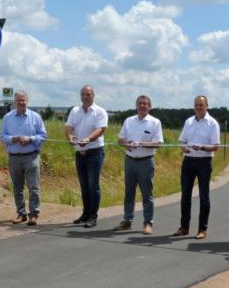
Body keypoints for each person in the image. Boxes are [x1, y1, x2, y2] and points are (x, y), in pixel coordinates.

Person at [173, 95, 220, 240]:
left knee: (204, 196)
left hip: (204, 162)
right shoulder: (189, 121)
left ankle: (202, 229)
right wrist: (184, 148)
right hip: (188, 161)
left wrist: (203, 147)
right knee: (185, 195)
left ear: (207, 106)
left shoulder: (213, 123)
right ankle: (184, 227)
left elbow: (216, 147)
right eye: (196, 105)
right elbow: (182, 141)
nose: (198, 107)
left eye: (201, 105)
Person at [115, 95, 164, 235]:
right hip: (130, 160)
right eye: (140, 103)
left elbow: (158, 143)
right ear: (136, 106)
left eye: (145, 104)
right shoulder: (129, 121)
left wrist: (141, 144)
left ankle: (148, 223)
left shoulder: (155, 122)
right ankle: (127, 221)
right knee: (129, 192)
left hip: (146, 161)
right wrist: (127, 144)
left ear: (150, 107)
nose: (142, 106)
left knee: (146, 194)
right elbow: (120, 140)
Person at [0, 90, 47, 226]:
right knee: (17, 188)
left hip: (31, 157)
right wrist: (13, 139)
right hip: (14, 158)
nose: (21, 102)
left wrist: (30, 139)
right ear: (14, 102)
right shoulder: (7, 117)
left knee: (33, 187)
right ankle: (21, 213)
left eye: (23, 100)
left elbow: (43, 136)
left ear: (27, 101)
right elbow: (2, 136)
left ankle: (34, 214)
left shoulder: (35, 117)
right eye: (18, 100)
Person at [65, 85, 108, 228]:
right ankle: (85, 213)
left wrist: (88, 139)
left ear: (93, 95)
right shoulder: (75, 111)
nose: (85, 96)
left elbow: (100, 129)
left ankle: (92, 216)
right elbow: (69, 126)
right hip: (80, 153)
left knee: (93, 185)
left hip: (94, 153)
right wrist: (70, 136)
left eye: (88, 94)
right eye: (83, 94)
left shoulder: (100, 111)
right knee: (84, 186)